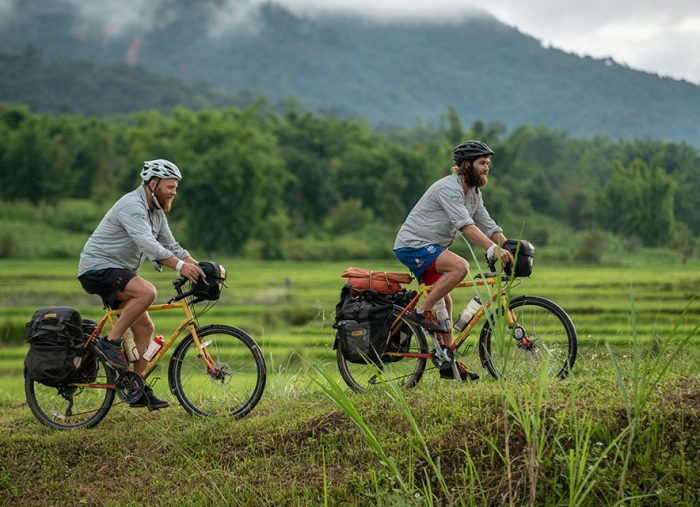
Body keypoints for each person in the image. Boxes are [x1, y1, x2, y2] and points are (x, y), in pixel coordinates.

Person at [77, 159, 204, 409]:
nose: (174, 192)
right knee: (147, 292)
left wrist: (198, 268)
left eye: (176, 187)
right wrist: (180, 267)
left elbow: (172, 245)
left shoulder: (156, 212)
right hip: (97, 269)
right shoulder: (132, 206)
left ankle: (137, 388)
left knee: (145, 328)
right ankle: (110, 342)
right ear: (152, 183)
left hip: (118, 271)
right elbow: (149, 244)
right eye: (170, 186)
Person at [393, 141, 514, 380]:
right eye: (482, 163)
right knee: (460, 267)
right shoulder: (448, 189)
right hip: (413, 245)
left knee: (445, 303)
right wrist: (491, 250)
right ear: (466, 165)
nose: (486, 167)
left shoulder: (473, 194)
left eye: (488, 163)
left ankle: (447, 363)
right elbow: (466, 226)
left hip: (432, 248)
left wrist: (510, 248)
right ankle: (418, 312)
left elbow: (489, 226)